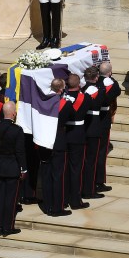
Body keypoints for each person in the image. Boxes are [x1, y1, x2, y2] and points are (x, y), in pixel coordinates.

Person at [0, 101, 27, 237]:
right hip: (12, 168)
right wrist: (24, 169)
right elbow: (20, 152)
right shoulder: (17, 130)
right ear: (14, 114)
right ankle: (8, 227)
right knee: (10, 199)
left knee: (0, 197)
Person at [42, 78, 71, 217]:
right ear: (61, 89)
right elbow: (70, 116)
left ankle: (47, 205)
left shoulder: (43, 101)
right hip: (58, 142)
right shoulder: (64, 104)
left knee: (47, 176)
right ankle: (57, 207)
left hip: (44, 142)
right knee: (58, 176)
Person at [63, 73, 90, 211]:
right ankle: (75, 200)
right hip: (78, 135)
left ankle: (64, 198)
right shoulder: (84, 97)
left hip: (64, 134)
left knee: (64, 169)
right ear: (79, 84)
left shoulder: (62, 97)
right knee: (76, 170)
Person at [80, 66, 107, 199]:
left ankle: (84, 187)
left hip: (84, 126)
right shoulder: (97, 90)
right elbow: (103, 100)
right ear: (96, 77)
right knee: (91, 161)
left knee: (86, 160)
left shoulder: (83, 89)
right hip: (94, 126)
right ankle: (89, 190)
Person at [94, 61, 120, 194]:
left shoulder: (93, 83)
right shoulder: (111, 85)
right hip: (103, 120)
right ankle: (98, 181)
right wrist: (109, 76)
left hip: (92, 121)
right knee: (101, 151)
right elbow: (117, 89)